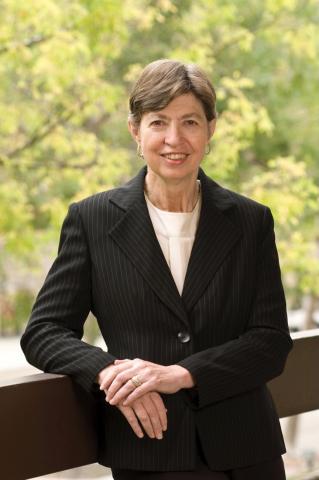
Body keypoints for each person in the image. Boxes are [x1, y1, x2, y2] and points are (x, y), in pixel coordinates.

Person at [21, 59, 292, 479]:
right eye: (158, 122)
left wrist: (183, 374)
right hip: (149, 448)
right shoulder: (91, 220)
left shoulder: (250, 220)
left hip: (247, 448)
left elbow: (271, 341)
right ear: (135, 129)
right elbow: (44, 332)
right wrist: (110, 373)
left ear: (210, 129)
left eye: (190, 122)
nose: (174, 139)